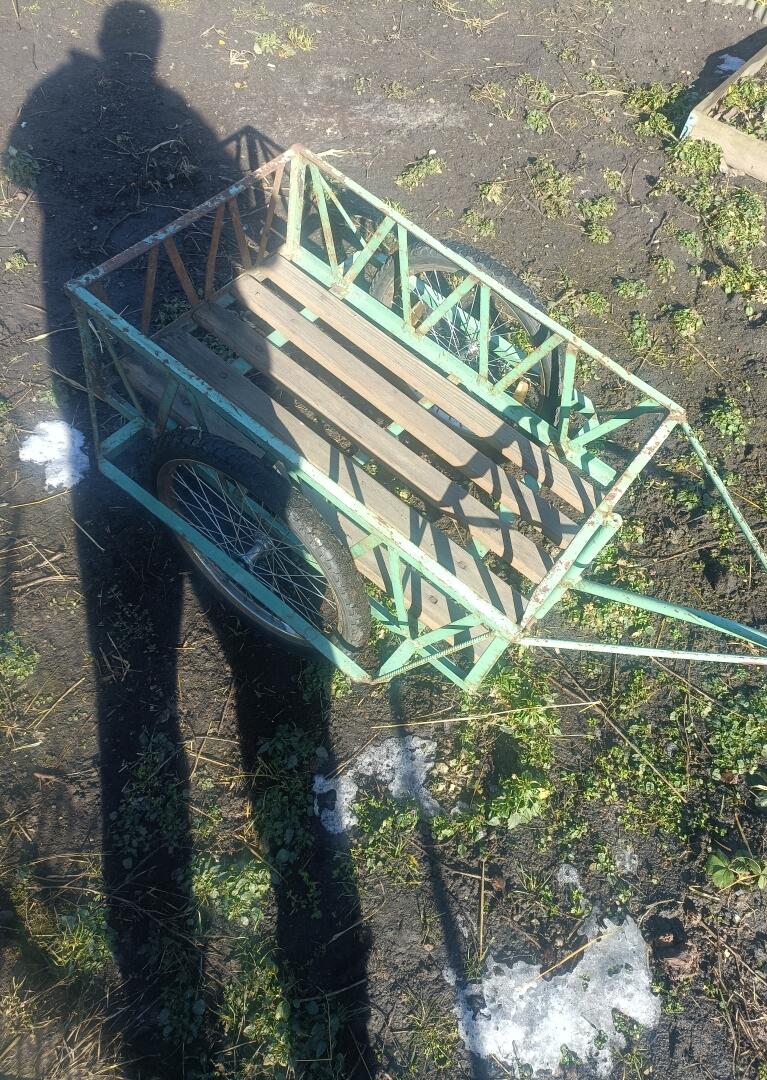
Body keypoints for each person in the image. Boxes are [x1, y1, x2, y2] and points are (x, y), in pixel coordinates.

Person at [7, 5, 370, 1074]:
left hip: (166, 278)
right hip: (195, 287)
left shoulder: (63, 101)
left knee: (147, 703)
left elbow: (34, 159)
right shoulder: (129, 108)